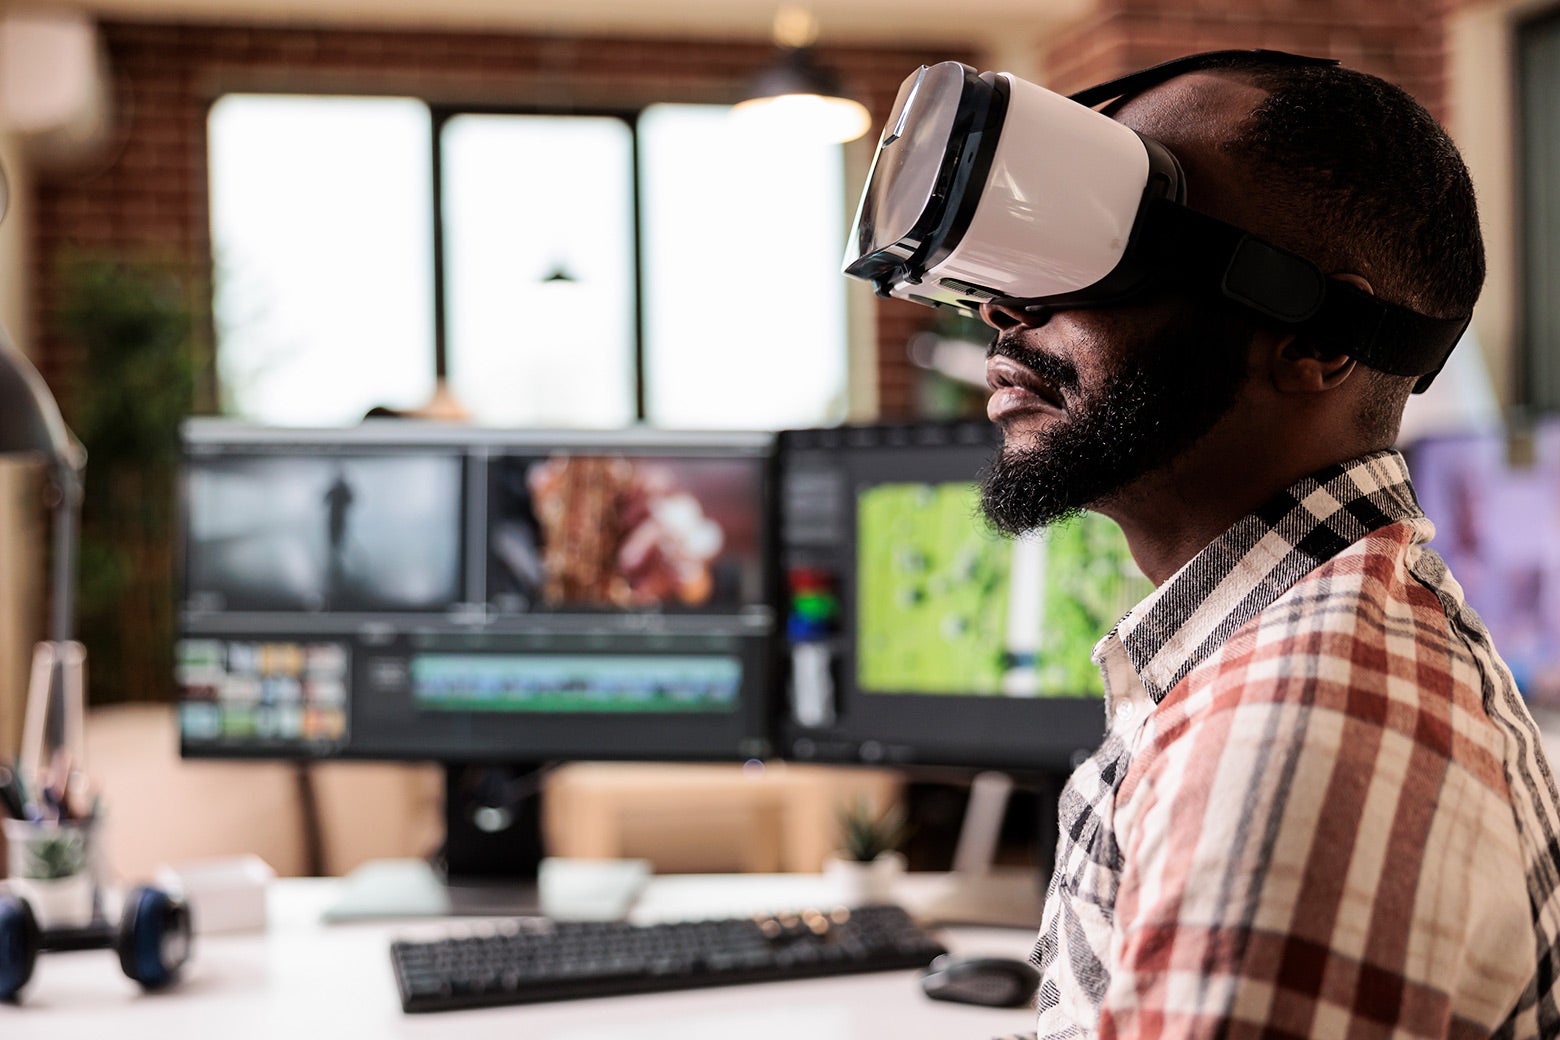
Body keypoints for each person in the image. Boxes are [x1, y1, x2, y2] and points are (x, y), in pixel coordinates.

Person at [976, 55, 1560, 1036]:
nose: (1008, 308)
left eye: (1111, 244)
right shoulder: (1258, 654)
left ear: (1316, 340)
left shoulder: (1303, 725)